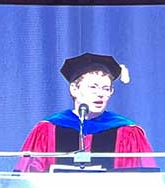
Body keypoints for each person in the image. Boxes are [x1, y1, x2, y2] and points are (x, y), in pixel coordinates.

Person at [19, 53, 153, 173]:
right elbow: (27, 180)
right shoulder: (48, 129)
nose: (100, 94)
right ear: (74, 89)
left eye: (106, 89)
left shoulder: (126, 131)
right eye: (93, 87)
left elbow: (144, 183)